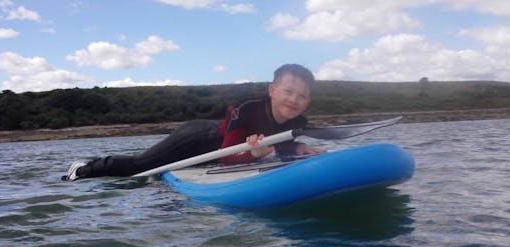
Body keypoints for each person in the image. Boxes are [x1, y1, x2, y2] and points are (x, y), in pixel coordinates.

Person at [65, 63, 325, 180]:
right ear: (272, 90)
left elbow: (277, 142)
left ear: (308, 100)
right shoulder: (246, 110)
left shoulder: (298, 120)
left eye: (302, 96)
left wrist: (295, 147)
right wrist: (254, 155)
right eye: (288, 92)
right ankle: (84, 169)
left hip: (217, 150)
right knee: (139, 166)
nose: (294, 99)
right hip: (199, 139)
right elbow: (226, 156)